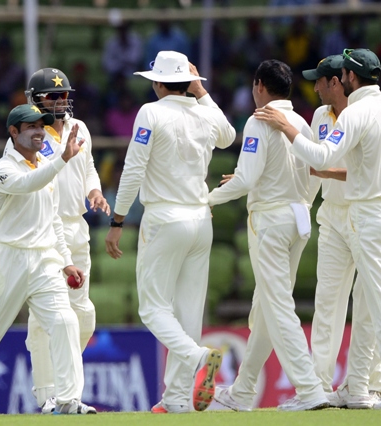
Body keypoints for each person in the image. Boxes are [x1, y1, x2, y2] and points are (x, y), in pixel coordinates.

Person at [260, 48, 381, 409]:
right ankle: (334, 387)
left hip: (367, 213)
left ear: (344, 79)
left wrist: (287, 127)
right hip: (353, 215)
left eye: (320, 81)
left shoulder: (357, 114)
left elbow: (327, 159)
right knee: (340, 305)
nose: (315, 88)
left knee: (376, 307)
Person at [105, 51, 235, 414]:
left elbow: (132, 169)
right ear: (188, 81)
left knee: (152, 308)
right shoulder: (203, 111)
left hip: (165, 219)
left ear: (158, 83)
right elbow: (228, 136)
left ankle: (198, 357)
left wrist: (117, 221)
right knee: (188, 311)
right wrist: (201, 91)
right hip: (200, 219)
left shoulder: (152, 112)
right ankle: (177, 398)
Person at [0, 67, 110, 414]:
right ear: (35, 99)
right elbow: (19, 181)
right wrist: (2, 204)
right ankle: (49, 395)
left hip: (77, 229)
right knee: (45, 319)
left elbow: (89, 165)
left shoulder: (81, 129)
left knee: (83, 315)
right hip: (45, 232)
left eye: (64, 94)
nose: (60, 101)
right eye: (53, 96)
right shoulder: (28, 136)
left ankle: (62, 383)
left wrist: (94, 189)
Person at [0, 104, 96, 415]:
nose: (39, 131)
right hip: (7, 259)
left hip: (44, 260)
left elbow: (53, 218)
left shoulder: (45, 163)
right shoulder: (3, 168)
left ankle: (68, 400)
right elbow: (28, 184)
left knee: (65, 321)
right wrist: (63, 159)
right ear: (14, 132)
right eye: (31, 127)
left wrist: (66, 259)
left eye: (42, 126)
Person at [208, 59, 327, 412]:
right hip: (298, 219)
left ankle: (310, 390)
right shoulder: (302, 122)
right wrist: (299, 200)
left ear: (259, 85)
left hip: (271, 222)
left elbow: (245, 180)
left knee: (276, 307)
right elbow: (315, 170)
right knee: (264, 309)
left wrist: (206, 199)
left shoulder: (259, 119)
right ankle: (243, 391)